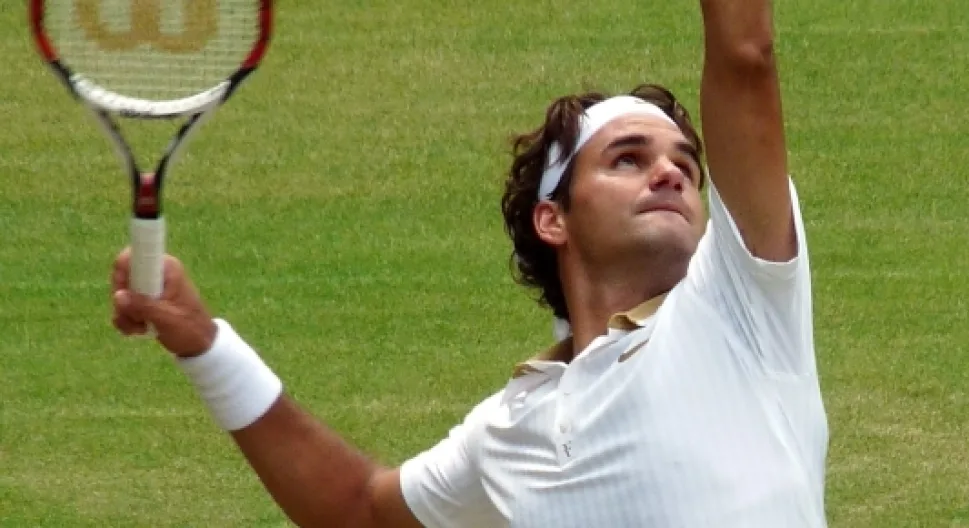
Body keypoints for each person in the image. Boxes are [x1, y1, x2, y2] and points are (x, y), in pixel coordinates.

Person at [108, 0, 828, 526]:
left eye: (686, 166)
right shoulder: (511, 430)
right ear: (553, 218)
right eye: (627, 159)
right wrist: (204, 344)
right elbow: (360, 510)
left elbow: (745, 57)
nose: (670, 174)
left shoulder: (741, 305)